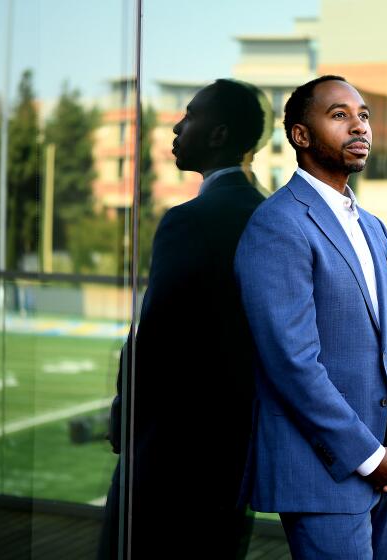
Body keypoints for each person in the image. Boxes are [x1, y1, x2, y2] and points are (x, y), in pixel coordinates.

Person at [234, 75, 387, 560]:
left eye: (362, 115)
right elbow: (292, 364)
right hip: (324, 472)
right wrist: (368, 458)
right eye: (339, 115)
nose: (358, 126)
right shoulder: (279, 223)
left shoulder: (373, 227)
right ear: (301, 136)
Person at [99, 79, 269, 559]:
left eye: (190, 116)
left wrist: (123, 410)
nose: (177, 125)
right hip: (234, 448)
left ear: (217, 135)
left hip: (170, 450)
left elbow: (154, 336)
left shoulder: (189, 220)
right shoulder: (272, 216)